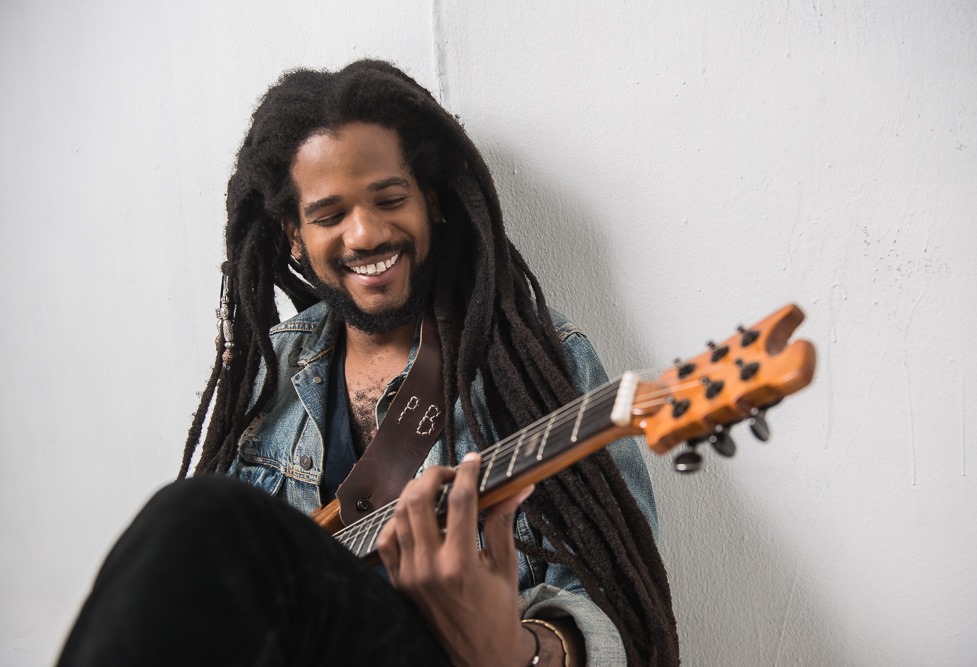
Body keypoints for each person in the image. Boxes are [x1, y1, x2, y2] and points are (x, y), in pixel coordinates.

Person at [58, 60, 680, 666]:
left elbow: (618, 616)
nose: (364, 234)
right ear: (294, 236)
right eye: (330, 216)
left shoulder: (539, 367)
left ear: (432, 200)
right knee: (193, 524)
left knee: (194, 513)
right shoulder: (273, 368)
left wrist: (518, 650)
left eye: (389, 199)